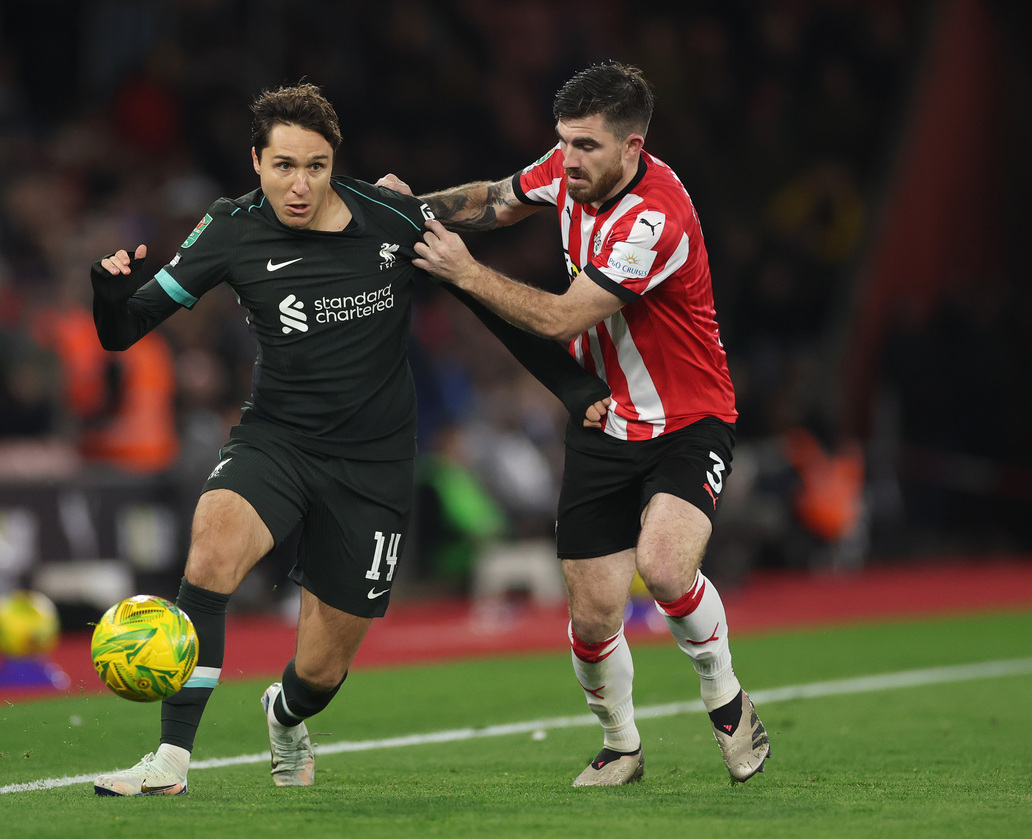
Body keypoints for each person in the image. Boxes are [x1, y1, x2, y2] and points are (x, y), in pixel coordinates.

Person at [89, 82, 609, 795]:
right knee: (211, 548)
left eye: (315, 165)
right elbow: (124, 330)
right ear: (255, 163)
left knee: (320, 673)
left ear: (337, 163)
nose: (298, 185)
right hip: (276, 441)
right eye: (282, 167)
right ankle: (171, 761)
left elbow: (483, 303)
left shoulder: (393, 221)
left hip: (373, 466)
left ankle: (287, 713)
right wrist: (110, 297)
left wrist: (576, 389)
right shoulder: (231, 228)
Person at [378, 61, 770, 785]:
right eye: (563, 141)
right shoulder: (565, 171)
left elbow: (561, 316)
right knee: (592, 617)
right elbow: (496, 200)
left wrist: (464, 272)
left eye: (587, 145)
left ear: (632, 146)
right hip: (601, 419)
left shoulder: (655, 217)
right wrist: (405, 208)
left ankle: (727, 698)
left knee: (664, 566)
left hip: (688, 418)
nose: (570, 159)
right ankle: (621, 745)